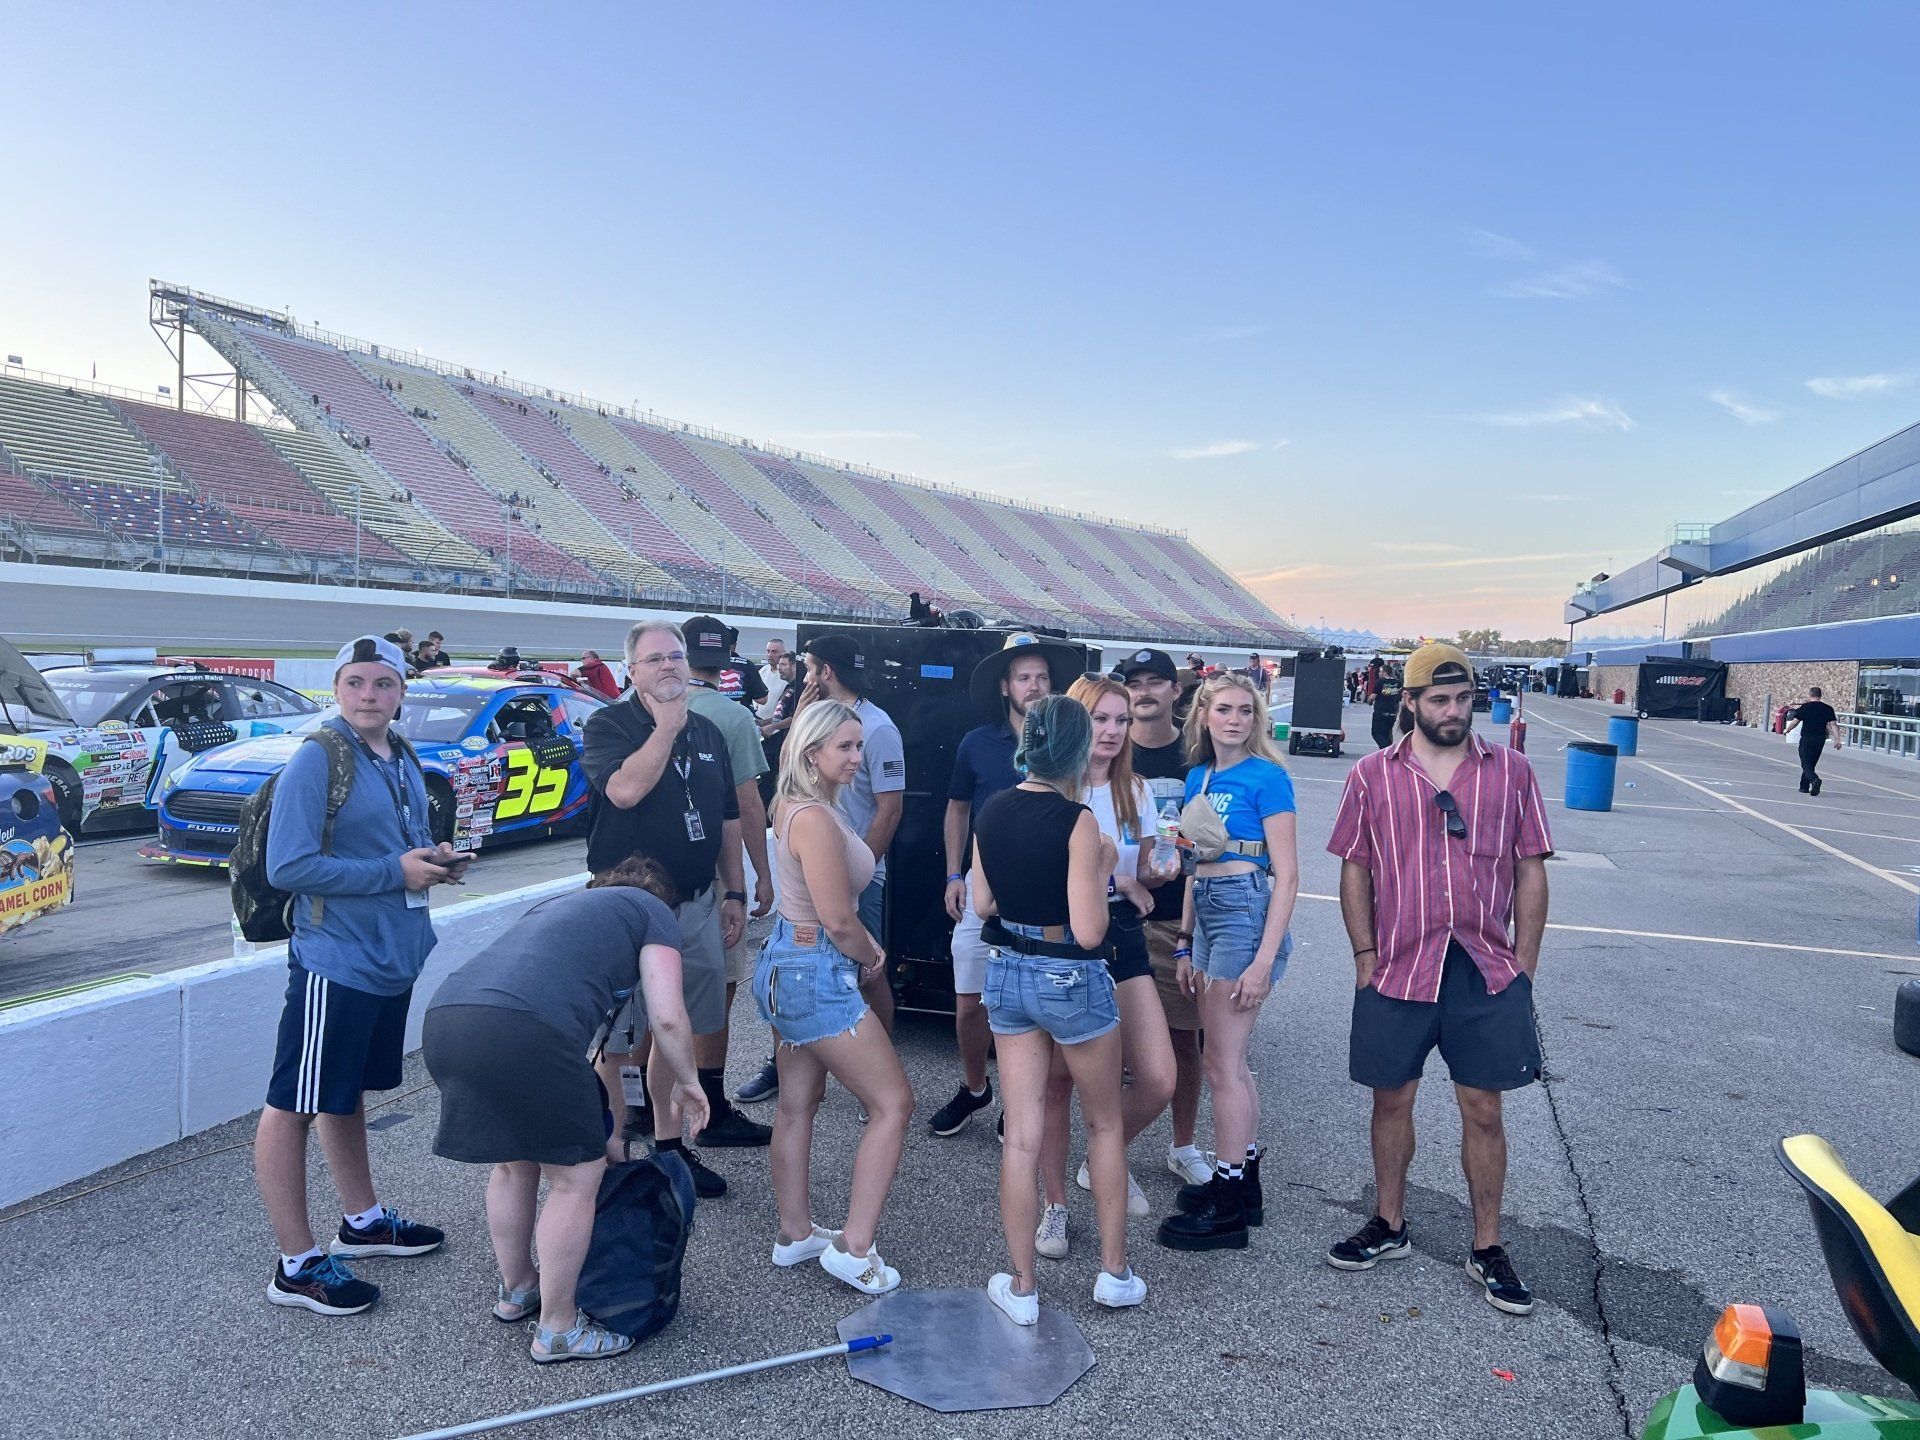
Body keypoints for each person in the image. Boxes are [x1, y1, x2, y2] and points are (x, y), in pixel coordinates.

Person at [1325, 642, 1552, 1316]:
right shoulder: (1372, 775)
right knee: (1390, 1100)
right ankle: (1389, 1224)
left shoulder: (1510, 771)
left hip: (1483, 968)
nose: (1454, 712)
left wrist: (1525, 964)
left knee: (1484, 1108)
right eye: (1440, 700)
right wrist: (1364, 955)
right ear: (1412, 703)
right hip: (1398, 963)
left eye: (1462, 699)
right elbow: (1355, 867)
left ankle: (1487, 1246)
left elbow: (1530, 867)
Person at [422, 861, 706, 1363]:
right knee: (575, 1178)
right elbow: (666, 1013)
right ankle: (559, 1328)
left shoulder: (559, 907)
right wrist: (688, 1081)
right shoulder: (653, 912)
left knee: (513, 1162)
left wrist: (605, 1129)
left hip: (448, 1018)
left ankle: (518, 1290)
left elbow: (589, 1048)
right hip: (525, 1030)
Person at [255, 635, 465, 1316]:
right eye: (355, 683)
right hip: (335, 958)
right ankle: (296, 1264)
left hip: (388, 955)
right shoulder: (319, 757)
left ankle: (363, 1223)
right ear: (336, 688)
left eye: (382, 683)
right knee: (294, 1103)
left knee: (341, 1094)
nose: (369, 696)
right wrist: (393, 873)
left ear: (402, 691)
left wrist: (430, 857)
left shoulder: (398, 754)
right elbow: (286, 867)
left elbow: (388, 846)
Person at [973, 695, 1147, 1322]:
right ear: (1075, 750)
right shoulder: (1077, 822)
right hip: (1069, 975)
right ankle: (1114, 1272)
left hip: (1008, 974)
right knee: (1103, 1124)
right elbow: (1092, 931)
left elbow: (983, 903)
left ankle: (1021, 1288)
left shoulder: (992, 809)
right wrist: (1101, 863)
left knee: (1021, 1135)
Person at [582, 621, 751, 1200]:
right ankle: (611, 1158)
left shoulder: (707, 729)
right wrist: (664, 729)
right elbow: (624, 792)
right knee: (622, 1039)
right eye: (655, 659)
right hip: (627, 909)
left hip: (698, 902)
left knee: (675, 1034)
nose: (669, 667)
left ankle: (669, 1148)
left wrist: (736, 892)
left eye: (675, 657)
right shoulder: (610, 724)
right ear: (632, 670)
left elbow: (728, 817)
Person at [755, 700, 914, 1294]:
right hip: (813, 969)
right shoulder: (815, 819)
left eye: (859, 746)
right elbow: (838, 920)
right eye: (844, 747)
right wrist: (873, 959)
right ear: (810, 751)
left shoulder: (799, 806)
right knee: (893, 1103)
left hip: (787, 964)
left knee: (798, 1102)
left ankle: (796, 1234)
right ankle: (854, 1246)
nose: (856, 758)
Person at [1031, 676, 1178, 1256]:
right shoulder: (1051, 789)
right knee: (1057, 1082)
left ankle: (1101, 1157)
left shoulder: (1133, 790)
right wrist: (1113, 872)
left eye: (1122, 721)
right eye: (1101, 719)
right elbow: (1042, 867)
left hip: (1119, 932)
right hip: (1060, 933)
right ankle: (1055, 1205)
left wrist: (1163, 862)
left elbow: (1148, 861)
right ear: (1075, 722)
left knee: (1159, 1077)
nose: (1115, 732)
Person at [1156, 672, 1299, 1253]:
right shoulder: (1199, 775)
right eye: (1223, 709)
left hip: (1245, 908)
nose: (1234, 719)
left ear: (1257, 719)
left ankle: (1229, 1194)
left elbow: (1287, 875)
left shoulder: (1269, 778)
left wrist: (1263, 961)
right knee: (1230, 1064)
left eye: (1245, 710)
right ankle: (1245, 1179)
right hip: (1209, 910)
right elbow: (1191, 864)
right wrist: (1185, 943)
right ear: (1204, 716)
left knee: (1220, 1062)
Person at [738, 635, 905, 1104]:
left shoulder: (878, 727)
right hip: (810, 873)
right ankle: (789, 1063)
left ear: (826, 671)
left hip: (855, 874)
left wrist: (862, 868)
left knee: (868, 973)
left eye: (810, 668)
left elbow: (889, 810)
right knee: (813, 976)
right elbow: (789, 773)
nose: (805, 676)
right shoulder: (811, 724)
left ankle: (871, 1075)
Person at [932, 632, 1081, 1137]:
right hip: (982, 886)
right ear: (1005, 686)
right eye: (1024, 677)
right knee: (969, 1002)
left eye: (1042, 677)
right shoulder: (977, 743)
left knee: (1040, 1004)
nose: (1034, 686)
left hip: (1050, 892)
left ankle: (1022, 1100)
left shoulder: (1069, 744)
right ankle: (976, 1087)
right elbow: (956, 810)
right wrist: (954, 873)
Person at [680, 616, 775, 1146]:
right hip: (715, 875)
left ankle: (642, 1105)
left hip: (652, 873)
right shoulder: (733, 716)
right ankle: (712, 1109)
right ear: (728, 657)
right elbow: (746, 803)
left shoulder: (643, 707)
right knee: (717, 987)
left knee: (653, 989)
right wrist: (761, 874)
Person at [1118, 649, 1211, 1187]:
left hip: (1181, 916)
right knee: (1115, 1047)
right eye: (1136, 683)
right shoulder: (1109, 749)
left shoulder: (1195, 754)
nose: (1146, 691)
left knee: (1184, 1041)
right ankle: (1114, 1149)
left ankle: (1183, 1144)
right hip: (1121, 914)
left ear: (1177, 691)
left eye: (1157, 682)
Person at [1785, 686, 1842, 795]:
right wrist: (1837, 739)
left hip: (1807, 738)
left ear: (1810, 695)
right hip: (1820, 739)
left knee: (1805, 762)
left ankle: (1815, 780)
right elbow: (1833, 725)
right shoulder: (1827, 708)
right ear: (1820, 695)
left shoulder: (1805, 707)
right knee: (1811, 763)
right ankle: (1804, 786)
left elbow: (1795, 722)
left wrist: (1787, 730)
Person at [1370, 660, 1403, 749]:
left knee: (1376, 733)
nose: (1379, 673)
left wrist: (1369, 701)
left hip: (1380, 712)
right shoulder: (1398, 682)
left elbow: (1372, 697)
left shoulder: (1380, 682)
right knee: (1388, 732)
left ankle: (1385, 750)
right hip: (1393, 712)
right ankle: (1389, 750)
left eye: (1380, 671)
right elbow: (1400, 694)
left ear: (1384, 672)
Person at [758, 638, 790, 721]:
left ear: (783, 653)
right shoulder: (762, 671)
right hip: (760, 720)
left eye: (774, 651)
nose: (770, 654)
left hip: (778, 724)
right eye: (768, 651)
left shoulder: (787, 675)